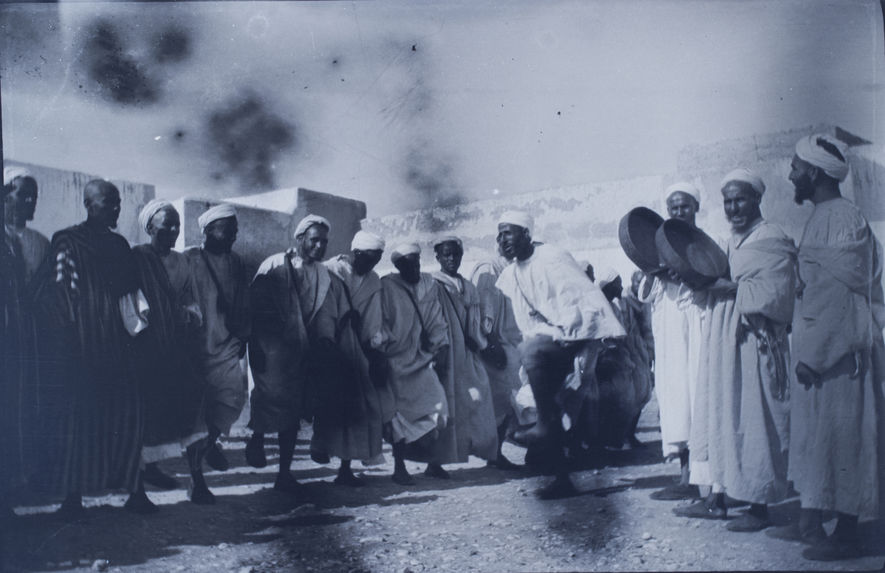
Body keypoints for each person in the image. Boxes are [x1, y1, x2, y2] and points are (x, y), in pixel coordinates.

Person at [767, 134, 885, 561]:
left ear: (814, 172)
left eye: (797, 167)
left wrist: (813, 357)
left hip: (835, 358)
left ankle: (849, 534)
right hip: (822, 354)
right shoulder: (828, 216)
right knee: (818, 441)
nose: (792, 173)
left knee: (843, 442)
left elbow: (835, 298)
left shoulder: (838, 220)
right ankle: (811, 522)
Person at [676, 168, 795, 531]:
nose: (733, 207)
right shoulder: (729, 242)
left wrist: (728, 288)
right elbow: (713, 284)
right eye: (727, 201)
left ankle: (759, 506)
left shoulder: (772, 238)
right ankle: (717, 497)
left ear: (757, 199)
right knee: (718, 412)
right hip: (721, 339)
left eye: (739, 199)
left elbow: (777, 293)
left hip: (754, 340)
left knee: (755, 417)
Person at [29, 180, 148, 515]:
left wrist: (136, 333)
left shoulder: (119, 244)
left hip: (118, 344)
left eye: (118, 202)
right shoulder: (68, 240)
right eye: (108, 202)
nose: (116, 208)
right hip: (81, 343)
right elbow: (59, 291)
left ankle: (134, 490)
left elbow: (131, 296)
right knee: (79, 419)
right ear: (88, 203)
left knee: (128, 414)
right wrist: (68, 339)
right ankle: (73, 498)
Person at [495, 211, 624, 498]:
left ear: (526, 234)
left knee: (557, 408)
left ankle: (558, 460)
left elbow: (580, 300)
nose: (502, 240)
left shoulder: (552, 258)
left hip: (571, 342)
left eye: (508, 232)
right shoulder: (512, 272)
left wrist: (566, 338)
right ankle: (560, 475)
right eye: (499, 235)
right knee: (551, 410)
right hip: (542, 346)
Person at [245, 214, 339, 494]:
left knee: (294, 413)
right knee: (265, 400)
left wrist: (324, 342)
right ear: (299, 239)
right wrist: (257, 348)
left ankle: (283, 473)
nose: (320, 247)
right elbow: (255, 307)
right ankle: (256, 438)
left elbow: (321, 313)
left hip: (300, 349)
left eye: (324, 241)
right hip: (271, 348)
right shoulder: (274, 264)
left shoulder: (322, 274)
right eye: (314, 240)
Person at [132, 200, 212, 504]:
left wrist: (187, 314)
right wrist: (158, 315)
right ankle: (138, 486)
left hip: (179, 346)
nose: (174, 230)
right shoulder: (138, 257)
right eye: (167, 224)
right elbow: (133, 299)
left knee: (192, 405)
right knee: (147, 414)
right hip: (147, 348)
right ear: (150, 226)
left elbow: (191, 299)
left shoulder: (182, 262)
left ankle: (197, 479)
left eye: (177, 225)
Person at [638, 182, 706, 500]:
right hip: (669, 337)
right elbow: (648, 292)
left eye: (684, 206)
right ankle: (684, 475)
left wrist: (690, 277)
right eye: (673, 208)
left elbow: (715, 282)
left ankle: (706, 480)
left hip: (697, 330)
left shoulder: (708, 245)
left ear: (696, 208)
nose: (678, 213)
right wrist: (656, 272)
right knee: (675, 400)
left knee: (698, 397)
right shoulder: (660, 246)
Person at [313, 230, 395, 485]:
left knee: (359, 406)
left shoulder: (373, 281)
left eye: (377, 258)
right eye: (369, 257)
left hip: (356, 349)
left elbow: (373, 319)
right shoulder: (331, 271)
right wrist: (328, 339)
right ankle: (320, 447)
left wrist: (373, 348)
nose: (373, 263)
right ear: (356, 253)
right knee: (327, 403)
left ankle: (345, 468)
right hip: (329, 344)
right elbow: (322, 308)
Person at [185, 204, 251, 473]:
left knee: (232, 401)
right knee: (196, 410)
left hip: (226, 347)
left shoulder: (236, 262)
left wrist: (242, 337)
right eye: (228, 231)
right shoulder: (189, 259)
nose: (234, 236)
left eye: (235, 231)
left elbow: (243, 303)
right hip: (195, 348)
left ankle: (210, 444)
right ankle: (196, 474)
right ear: (208, 231)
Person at [380, 243, 450, 485]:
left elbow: (435, 318)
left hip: (420, 359)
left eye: (417, 262)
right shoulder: (387, 287)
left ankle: (434, 462)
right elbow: (380, 322)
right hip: (394, 360)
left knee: (437, 402)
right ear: (398, 267)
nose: (414, 268)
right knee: (398, 416)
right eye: (408, 264)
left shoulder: (427, 285)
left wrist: (441, 346)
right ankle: (399, 467)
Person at [429, 237, 499, 474]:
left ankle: (490, 452)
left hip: (467, 354)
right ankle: (435, 461)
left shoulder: (468, 287)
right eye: (446, 255)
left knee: (480, 398)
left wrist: (477, 341)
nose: (452, 259)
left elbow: (475, 321)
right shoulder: (432, 284)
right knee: (443, 405)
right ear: (437, 257)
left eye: (456, 255)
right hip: (445, 353)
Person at [469, 250, 523, 469]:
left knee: (506, 400)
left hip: (508, 343)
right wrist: (491, 343)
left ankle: (495, 452)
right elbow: (485, 308)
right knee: (500, 398)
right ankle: (493, 453)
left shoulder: (510, 268)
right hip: (494, 345)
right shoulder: (489, 268)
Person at [597, 267, 653, 449]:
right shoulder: (617, 304)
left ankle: (628, 435)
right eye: (617, 283)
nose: (621, 287)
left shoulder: (635, 302)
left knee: (642, 393)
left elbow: (644, 329)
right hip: (617, 356)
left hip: (635, 353)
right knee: (623, 398)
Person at [4, 167, 49, 283]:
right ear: (5, 197)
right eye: (23, 194)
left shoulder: (41, 243)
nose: (30, 200)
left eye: (34, 196)